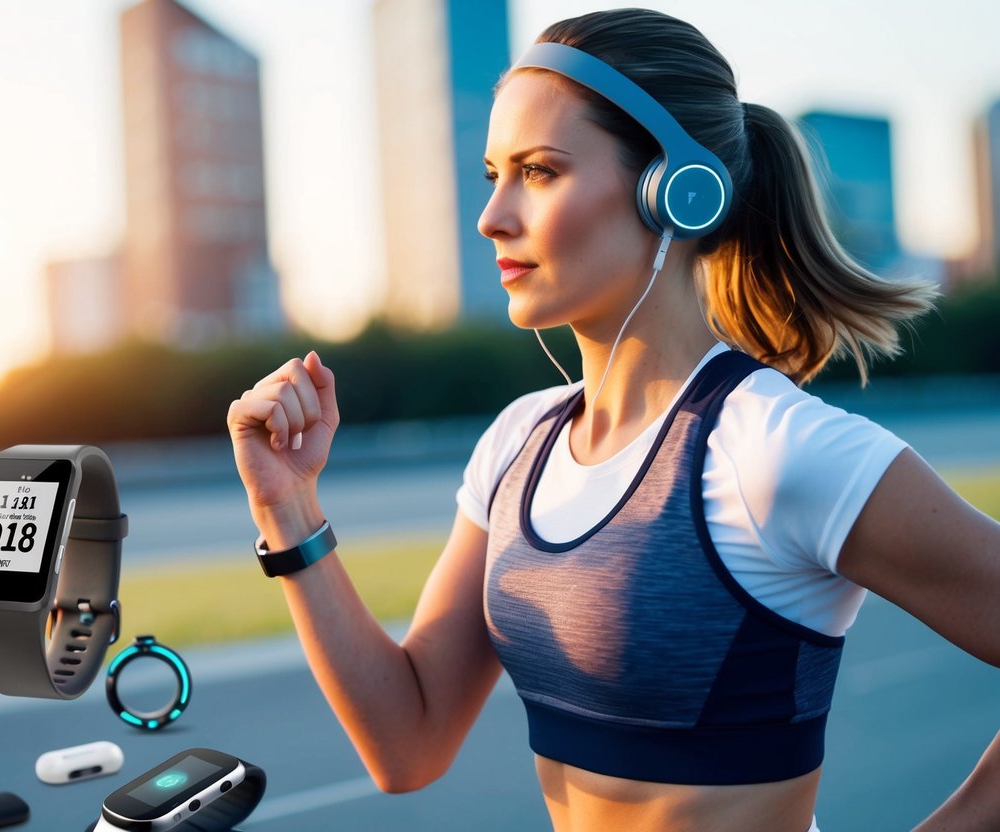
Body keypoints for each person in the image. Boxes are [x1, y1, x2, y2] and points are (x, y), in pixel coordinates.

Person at [226, 9, 1000, 831]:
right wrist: (289, 509)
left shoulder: (776, 451)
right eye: (493, 174)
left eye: (539, 171)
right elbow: (405, 743)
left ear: (677, 190)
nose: (492, 216)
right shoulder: (516, 443)